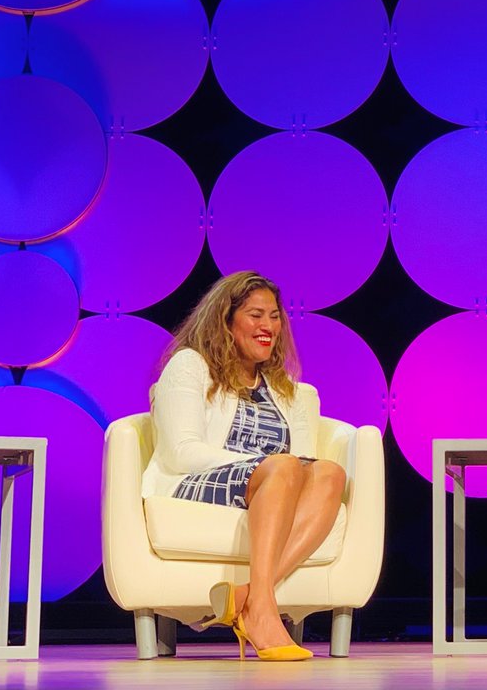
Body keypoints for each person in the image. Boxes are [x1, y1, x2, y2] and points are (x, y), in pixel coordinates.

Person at [142, 271, 346, 662]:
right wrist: (265, 466)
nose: (268, 326)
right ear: (226, 319)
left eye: (274, 316)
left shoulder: (286, 387)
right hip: (193, 483)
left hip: (269, 486)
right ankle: (264, 614)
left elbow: (305, 464)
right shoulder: (190, 365)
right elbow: (181, 452)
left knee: (330, 473)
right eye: (256, 315)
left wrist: (278, 470)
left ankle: (247, 598)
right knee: (284, 467)